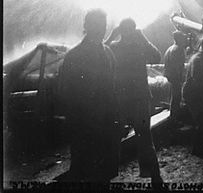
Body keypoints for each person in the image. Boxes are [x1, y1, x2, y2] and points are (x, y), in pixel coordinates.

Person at [58, 9, 120, 184]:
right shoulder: (74, 56)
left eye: (104, 25)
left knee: (102, 177)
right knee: (84, 175)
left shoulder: (108, 53)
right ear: (87, 26)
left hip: (106, 125)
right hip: (85, 126)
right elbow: (66, 93)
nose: (102, 29)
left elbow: (113, 89)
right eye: (98, 25)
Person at [108, 18, 163, 185]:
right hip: (140, 98)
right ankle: (155, 178)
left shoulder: (114, 48)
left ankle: (107, 176)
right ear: (134, 30)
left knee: (113, 137)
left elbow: (101, 50)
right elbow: (157, 56)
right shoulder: (140, 47)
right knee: (145, 138)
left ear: (121, 30)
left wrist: (111, 36)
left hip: (121, 100)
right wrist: (143, 37)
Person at [164, 31, 187, 122]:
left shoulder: (170, 48)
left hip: (170, 75)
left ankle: (172, 114)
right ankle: (174, 118)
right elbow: (177, 65)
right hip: (175, 76)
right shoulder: (178, 49)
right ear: (179, 38)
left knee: (173, 95)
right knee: (177, 97)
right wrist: (180, 76)